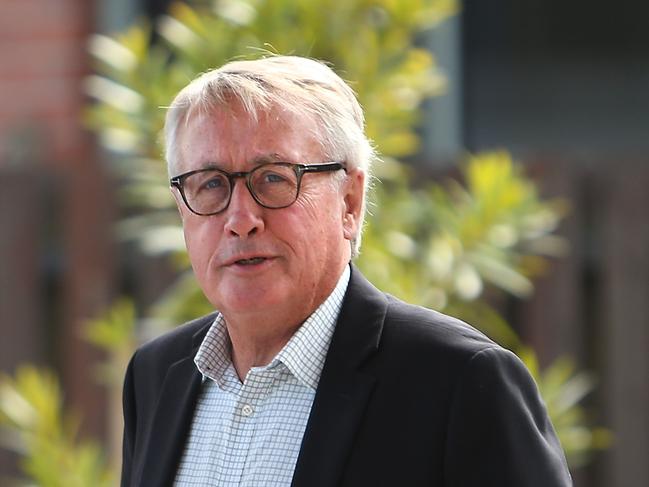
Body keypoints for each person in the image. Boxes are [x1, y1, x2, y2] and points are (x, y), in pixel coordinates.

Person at [120, 55, 572, 487]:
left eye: (274, 178)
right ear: (182, 209)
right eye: (211, 184)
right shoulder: (156, 377)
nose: (240, 219)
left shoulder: (460, 382)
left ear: (350, 203)